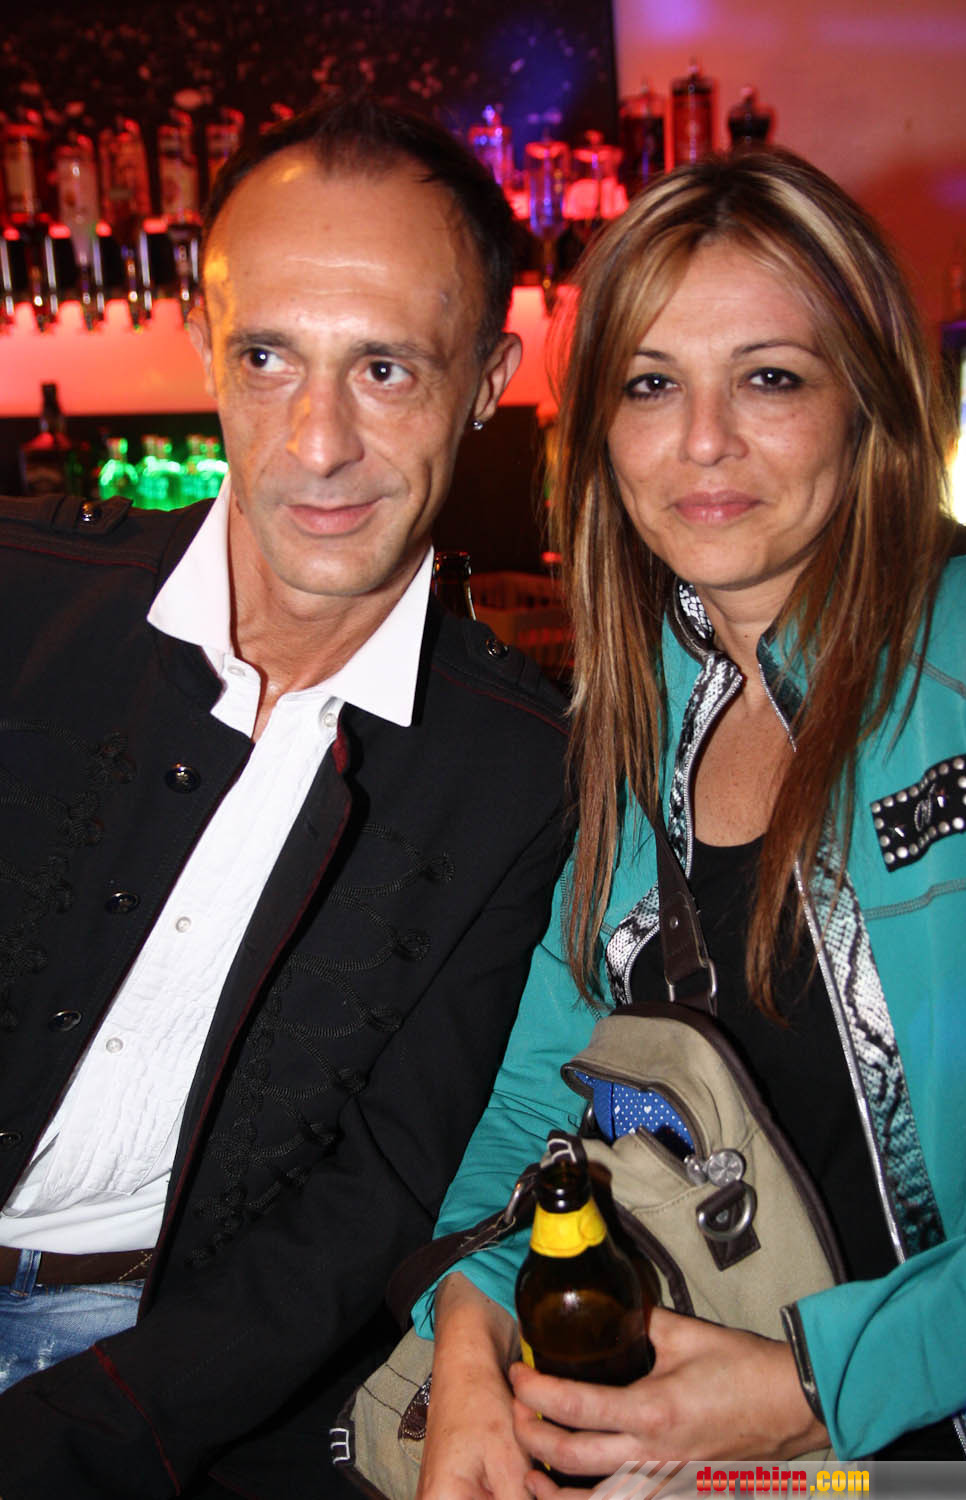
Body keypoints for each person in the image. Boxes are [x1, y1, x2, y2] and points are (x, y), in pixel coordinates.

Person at [0, 96, 571, 1499]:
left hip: (153, 1380)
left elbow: (375, 1193)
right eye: (268, 358)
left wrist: (68, 1443)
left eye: (384, 368)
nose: (318, 444)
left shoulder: (525, 769)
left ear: (487, 377)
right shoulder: (21, 593)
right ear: (207, 349)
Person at [412, 147, 966, 1499]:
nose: (703, 442)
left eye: (770, 378)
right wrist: (466, 1333)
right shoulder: (623, 740)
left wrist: (814, 1387)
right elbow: (540, 1098)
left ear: (869, 400)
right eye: (650, 384)